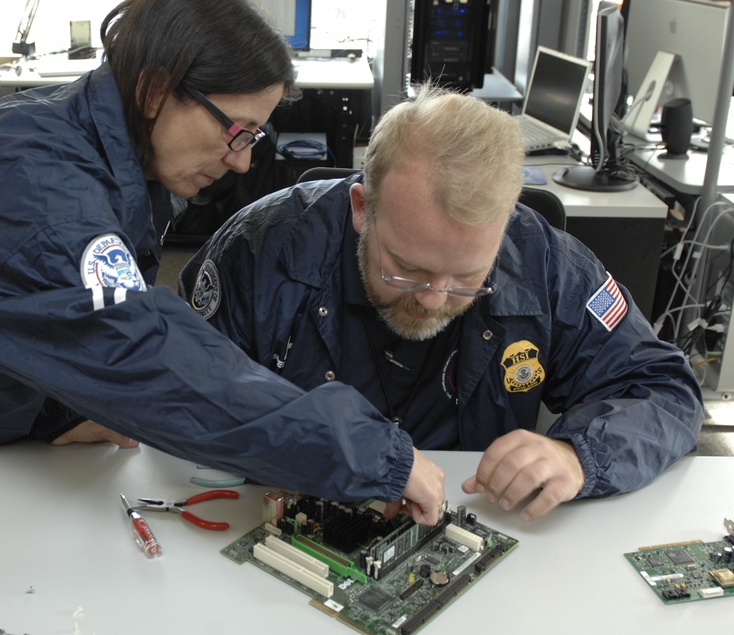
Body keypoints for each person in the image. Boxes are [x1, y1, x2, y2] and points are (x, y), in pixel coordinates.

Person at [0, 0, 446, 525]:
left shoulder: (69, 125)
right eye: (236, 131)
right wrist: (369, 456)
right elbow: (145, 352)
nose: (241, 163)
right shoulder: (41, 190)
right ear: (154, 90)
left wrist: (52, 406)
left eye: (254, 139)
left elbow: (26, 304)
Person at [180, 84, 705, 522]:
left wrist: (577, 456)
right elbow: (183, 395)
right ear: (362, 207)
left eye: (467, 278)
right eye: (407, 269)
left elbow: (666, 392)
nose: (433, 300)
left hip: (463, 532)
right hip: (285, 527)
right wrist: (318, 447)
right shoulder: (261, 250)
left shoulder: (539, 260)